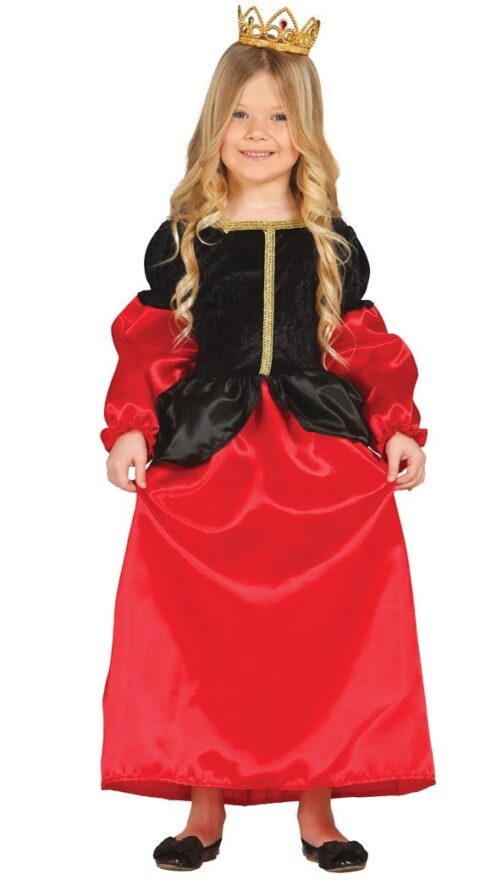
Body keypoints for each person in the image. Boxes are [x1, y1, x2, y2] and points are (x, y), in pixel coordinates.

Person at [99, 5, 436, 873]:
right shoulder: (186, 242)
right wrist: (130, 428)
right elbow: (152, 346)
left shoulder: (331, 242)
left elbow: (362, 345)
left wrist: (398, 427)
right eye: (242, 114)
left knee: (318, 634)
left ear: (306, 131)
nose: (258, 133)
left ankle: (317, 802)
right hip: (208, 461)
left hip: (316, 463)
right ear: (215, 126)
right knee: (201, 631)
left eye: (279, 116)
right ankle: (204, 800)